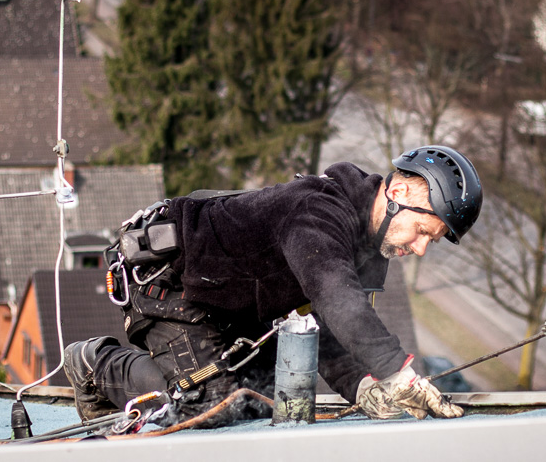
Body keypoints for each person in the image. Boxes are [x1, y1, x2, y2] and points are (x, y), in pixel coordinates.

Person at [63, 145, 482, 425]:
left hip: (233, 307)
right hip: (172, 285)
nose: (422, 248)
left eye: (433, 239)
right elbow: (336, 297)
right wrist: (396, 372)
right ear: (398, 190)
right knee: (214, 407)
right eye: (424, 230)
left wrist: (362, 385)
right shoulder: (318, 211)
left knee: (268, 399)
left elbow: (329, 323)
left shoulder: (368, 243)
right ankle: (95, 363)